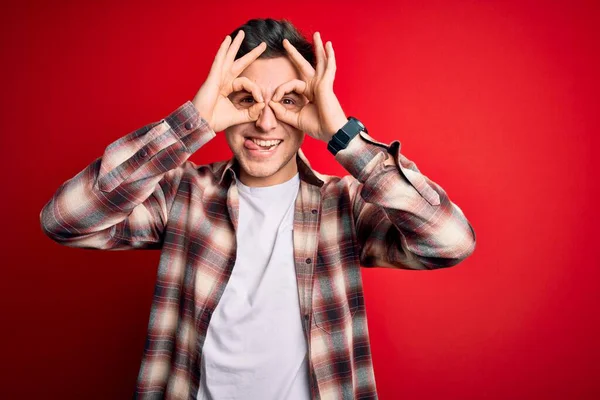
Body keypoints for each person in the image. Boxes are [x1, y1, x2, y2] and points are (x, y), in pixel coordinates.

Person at [40, 18, 476, 400]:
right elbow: (65, 220)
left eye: (287, 101)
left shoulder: (343, 204)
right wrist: (195, 120)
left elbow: (450, 242)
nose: (265, 123)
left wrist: (345, 136)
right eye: (246, 99)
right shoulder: (182, 194)